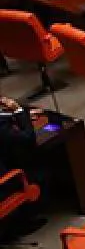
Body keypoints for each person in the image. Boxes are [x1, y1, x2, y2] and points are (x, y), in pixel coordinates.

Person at [0, 96, 42, 237]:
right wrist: (18, 111)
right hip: (4, 183)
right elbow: (27, 138)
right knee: (39, 172)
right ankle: (21, 224)